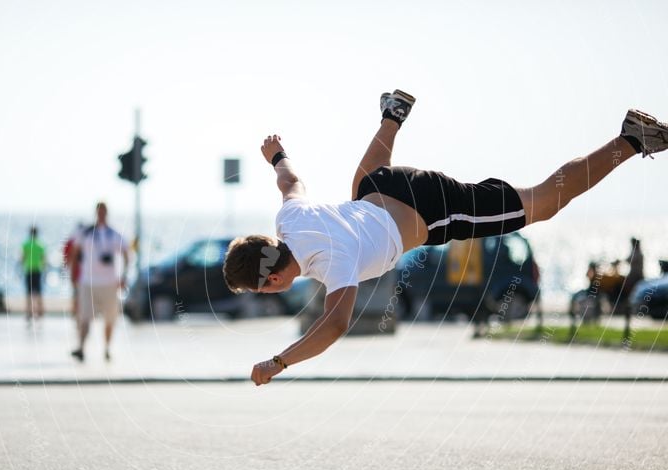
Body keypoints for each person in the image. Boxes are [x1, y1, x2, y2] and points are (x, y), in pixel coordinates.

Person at [222, 89, 668, 386]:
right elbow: (290, 180)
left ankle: (629, 139)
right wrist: (276, 154)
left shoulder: (332, 261)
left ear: (272, 281)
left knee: (542, 204)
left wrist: (279, 362)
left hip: (430, 208)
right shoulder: (290, 220)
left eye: (260, 286)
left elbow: (335, 324)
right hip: (386, 185)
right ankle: (392, 116)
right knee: (359, 186)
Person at [69, 202, 129, 362]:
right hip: (88, 282)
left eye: (104, 211)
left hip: (109, 283)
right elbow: (75, 254)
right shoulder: (85, 233)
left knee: (110, 318)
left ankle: (107, 348)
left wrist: (123, 276)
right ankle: (81, 347)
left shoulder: (113, 234)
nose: (101, 214)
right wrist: (73, 276)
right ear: (96, 212)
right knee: (85, 317)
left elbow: (126, 253)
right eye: (99, 211)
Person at [21, 225, 46, 324]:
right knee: (39, 292)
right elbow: (43, 259)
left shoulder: (26, 244)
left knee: (28, 293)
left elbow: (23, 258)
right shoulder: (40, 245)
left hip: (29, 270)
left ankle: (29, 312)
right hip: (38, 270)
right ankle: (40, 312)